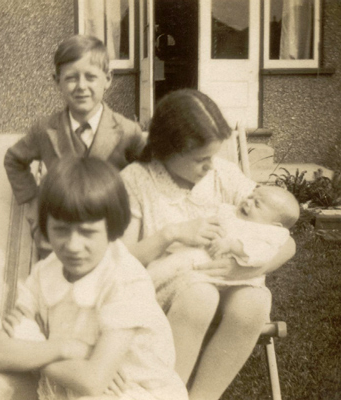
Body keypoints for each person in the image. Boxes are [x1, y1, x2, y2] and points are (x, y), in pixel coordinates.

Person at [120, 89, 296, 400]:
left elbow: (284, 241)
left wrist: (240, 270)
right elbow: (120, 261)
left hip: (225, 279)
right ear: (167, 149)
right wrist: (171, 234)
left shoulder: (221, 175)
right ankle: (167, 394)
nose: (210, 166)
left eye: (213, 156)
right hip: (165, 288)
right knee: (200, 295)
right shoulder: (136, 181)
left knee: (255, 302)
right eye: (201, 159)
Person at [0, 157, 188, 400]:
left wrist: (35, 353)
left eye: (88, 232)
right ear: (46, 227)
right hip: (68, 380)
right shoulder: (46, 271)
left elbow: (92, 382)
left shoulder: (126, 279)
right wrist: (66, 349)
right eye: (61, 230)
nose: (73, 246)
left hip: (130, 390)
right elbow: (0, 354)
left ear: (112, 229)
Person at [4, 34, 146, 258]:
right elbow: (14, 159)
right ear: (56, 80)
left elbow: (146, 174)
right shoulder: (44, 129)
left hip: (109, 236)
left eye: (91, 77)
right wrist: (33, 204)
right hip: (58, 237)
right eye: (71, 78)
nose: (81, 86)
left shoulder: (128, 131)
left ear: (107, 79)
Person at [147, 185, 300, 302]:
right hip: (200, 261)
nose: (248, 202)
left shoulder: (268, 234)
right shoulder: (230, 212)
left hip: (231, 277)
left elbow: (261, 253)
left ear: (275, 224)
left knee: (173, 268)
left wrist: (233, 246)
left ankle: (149, 289)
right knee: (169, 266)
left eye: (257, 204)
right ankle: (149, 287)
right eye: (250, 197)